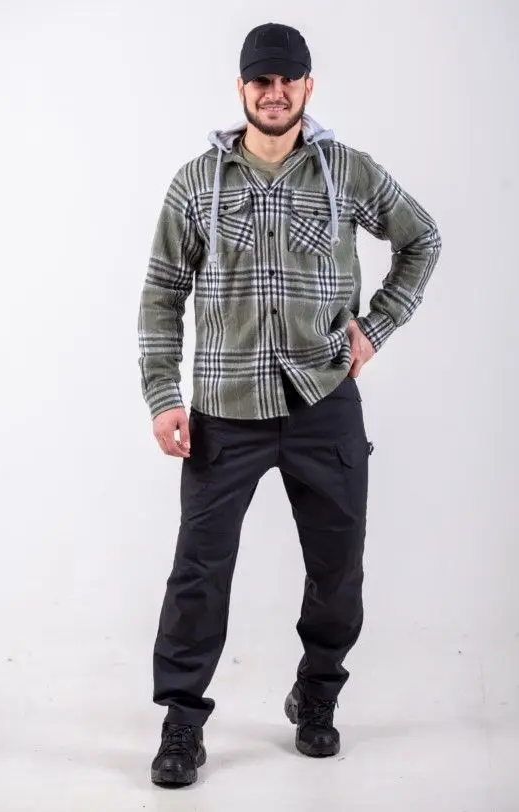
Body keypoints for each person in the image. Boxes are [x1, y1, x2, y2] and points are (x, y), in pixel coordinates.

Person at [137, 22, 442, 787]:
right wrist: (164, 396)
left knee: (337, 566)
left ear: (308, 86)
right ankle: (181, 722)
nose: (273, 93)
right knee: (199, 570)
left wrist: (375, 327)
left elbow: (422, 239)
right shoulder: (196, 182)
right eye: (260, 80)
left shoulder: (347, 171)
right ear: (240, 88)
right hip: (223, 410)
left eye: (287, 80)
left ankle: (316, 694)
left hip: (323, 398)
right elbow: (162, 294)